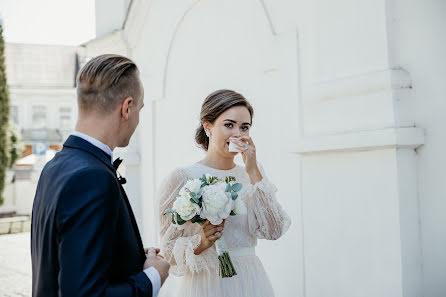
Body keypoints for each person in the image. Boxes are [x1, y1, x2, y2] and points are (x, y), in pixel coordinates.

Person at [31, 54, 170, 297]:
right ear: (126, 108)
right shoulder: (92, 177)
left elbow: (66, 260)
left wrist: (133, 257)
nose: (138, 117)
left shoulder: (54, 166)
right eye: (140, 108)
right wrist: (153, 277)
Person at [157, 89, 291, 296]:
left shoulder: (251, 176)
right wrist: (200, 242)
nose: (238, 133)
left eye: (244, 127)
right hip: (206, 284)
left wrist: (253, 170)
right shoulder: (182, 177)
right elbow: (167, 251)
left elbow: (274, 230)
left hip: (249, 282)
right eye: (229, 125)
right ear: (207, 126)